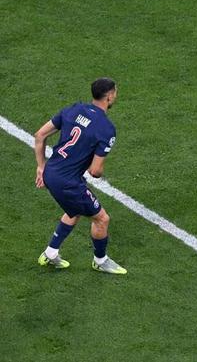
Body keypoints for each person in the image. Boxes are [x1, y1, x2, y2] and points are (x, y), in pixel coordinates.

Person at [34, 77, 127, 275]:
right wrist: (99, 168)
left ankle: (50, 253)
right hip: (67, 182)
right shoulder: (106, 129)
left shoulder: (74, 109)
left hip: (51, 171)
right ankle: (100, 261)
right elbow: (95, 171)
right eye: (115, 92)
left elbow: (40, 135)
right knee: (102, 219)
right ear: (109, 96)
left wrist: (41, 167)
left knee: (75, 209)